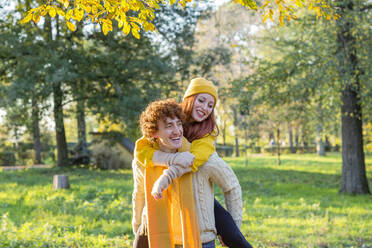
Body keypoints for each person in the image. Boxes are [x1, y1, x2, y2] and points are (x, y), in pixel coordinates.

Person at [134, 78, 253, 248]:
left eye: (210, 105)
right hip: (164, 204)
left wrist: (167, 175)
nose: (205, 107)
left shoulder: (206, 138)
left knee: (233, 234)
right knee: (141, 240)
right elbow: (141, 150)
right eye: (201, 100)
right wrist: (170, 158)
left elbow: (190, 161)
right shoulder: (170, 117)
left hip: (196, 194)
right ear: (189, 99)